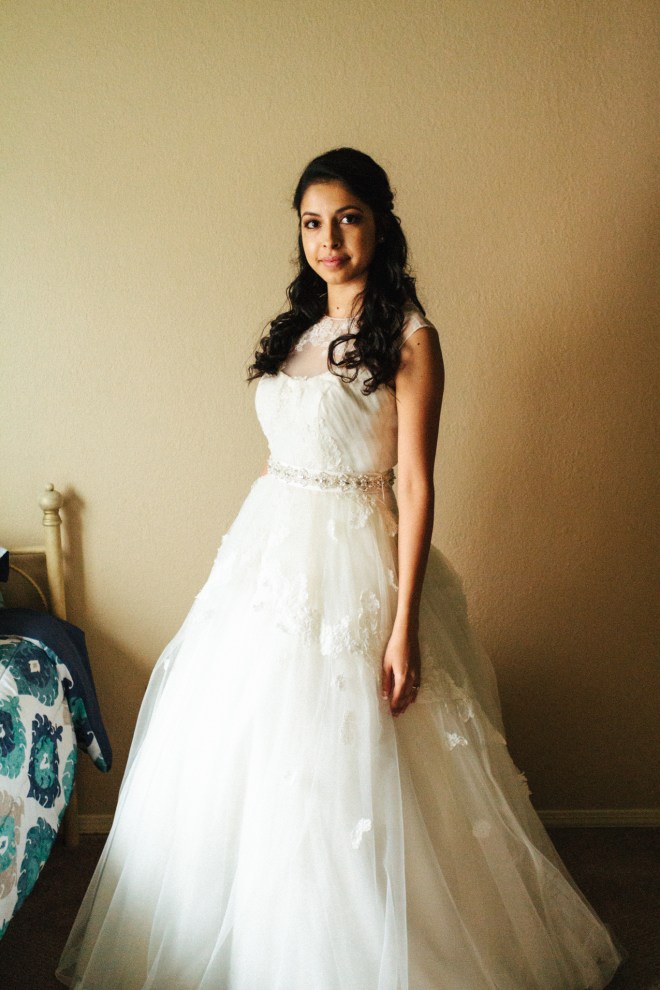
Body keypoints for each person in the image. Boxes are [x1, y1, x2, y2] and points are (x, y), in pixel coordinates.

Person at [57, 148, 624, 989]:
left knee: (349, 768)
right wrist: (240, 555)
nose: (329, 240)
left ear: (381, 225)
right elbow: (281, 450)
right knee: (238, 756)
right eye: (313, 223)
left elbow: (417, 484)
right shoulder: (299, 330)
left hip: (355, 563)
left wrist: (402, 626)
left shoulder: (410, 335)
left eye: (348, 219)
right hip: (271, 552)